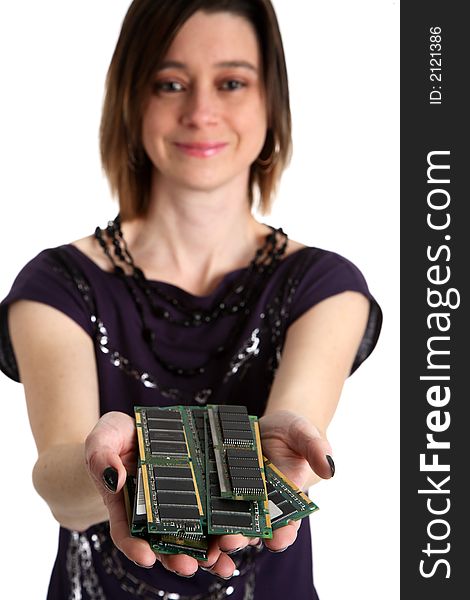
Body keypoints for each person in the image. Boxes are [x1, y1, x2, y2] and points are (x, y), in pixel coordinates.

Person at [0, 0, 382, 598]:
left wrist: (286, 461)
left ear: (270, 103)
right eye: (170, 83)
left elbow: (294, 450)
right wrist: (105, 473)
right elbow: (60, 492)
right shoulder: (57, 285)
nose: (201, 112)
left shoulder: (323, 286)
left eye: (231, 82)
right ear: (132, 99)